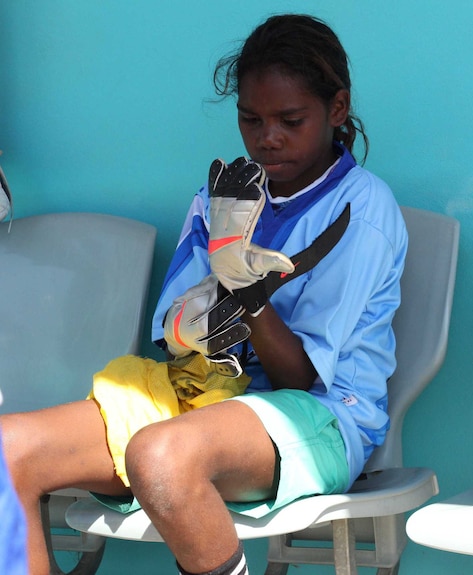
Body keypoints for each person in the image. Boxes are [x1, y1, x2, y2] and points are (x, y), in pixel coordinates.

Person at [0, 13, 407, 575]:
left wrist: (246, 293)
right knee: (7, 450)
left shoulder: (362, 210)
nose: (268, 137)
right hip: (203, 396)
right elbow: (175, 340)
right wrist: (197, 321)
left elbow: (299, 378)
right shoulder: (220, 198)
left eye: (291, 120)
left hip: (323, 416)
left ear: (336, 110)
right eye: (250, 119)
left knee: (159, 457)